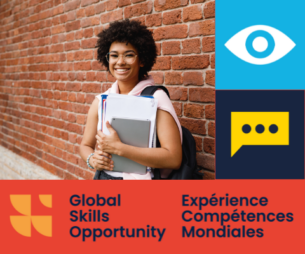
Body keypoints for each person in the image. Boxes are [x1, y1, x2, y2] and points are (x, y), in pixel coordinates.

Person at [79, 19, 182, 180]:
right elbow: (85, 145)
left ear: (142, 60)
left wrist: (120, 148)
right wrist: (91, 159)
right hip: (104, 179)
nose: (120, 62)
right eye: (114, 55)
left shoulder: (155, 98)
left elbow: (174, 158)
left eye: (129, 55)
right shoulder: (101, 101)